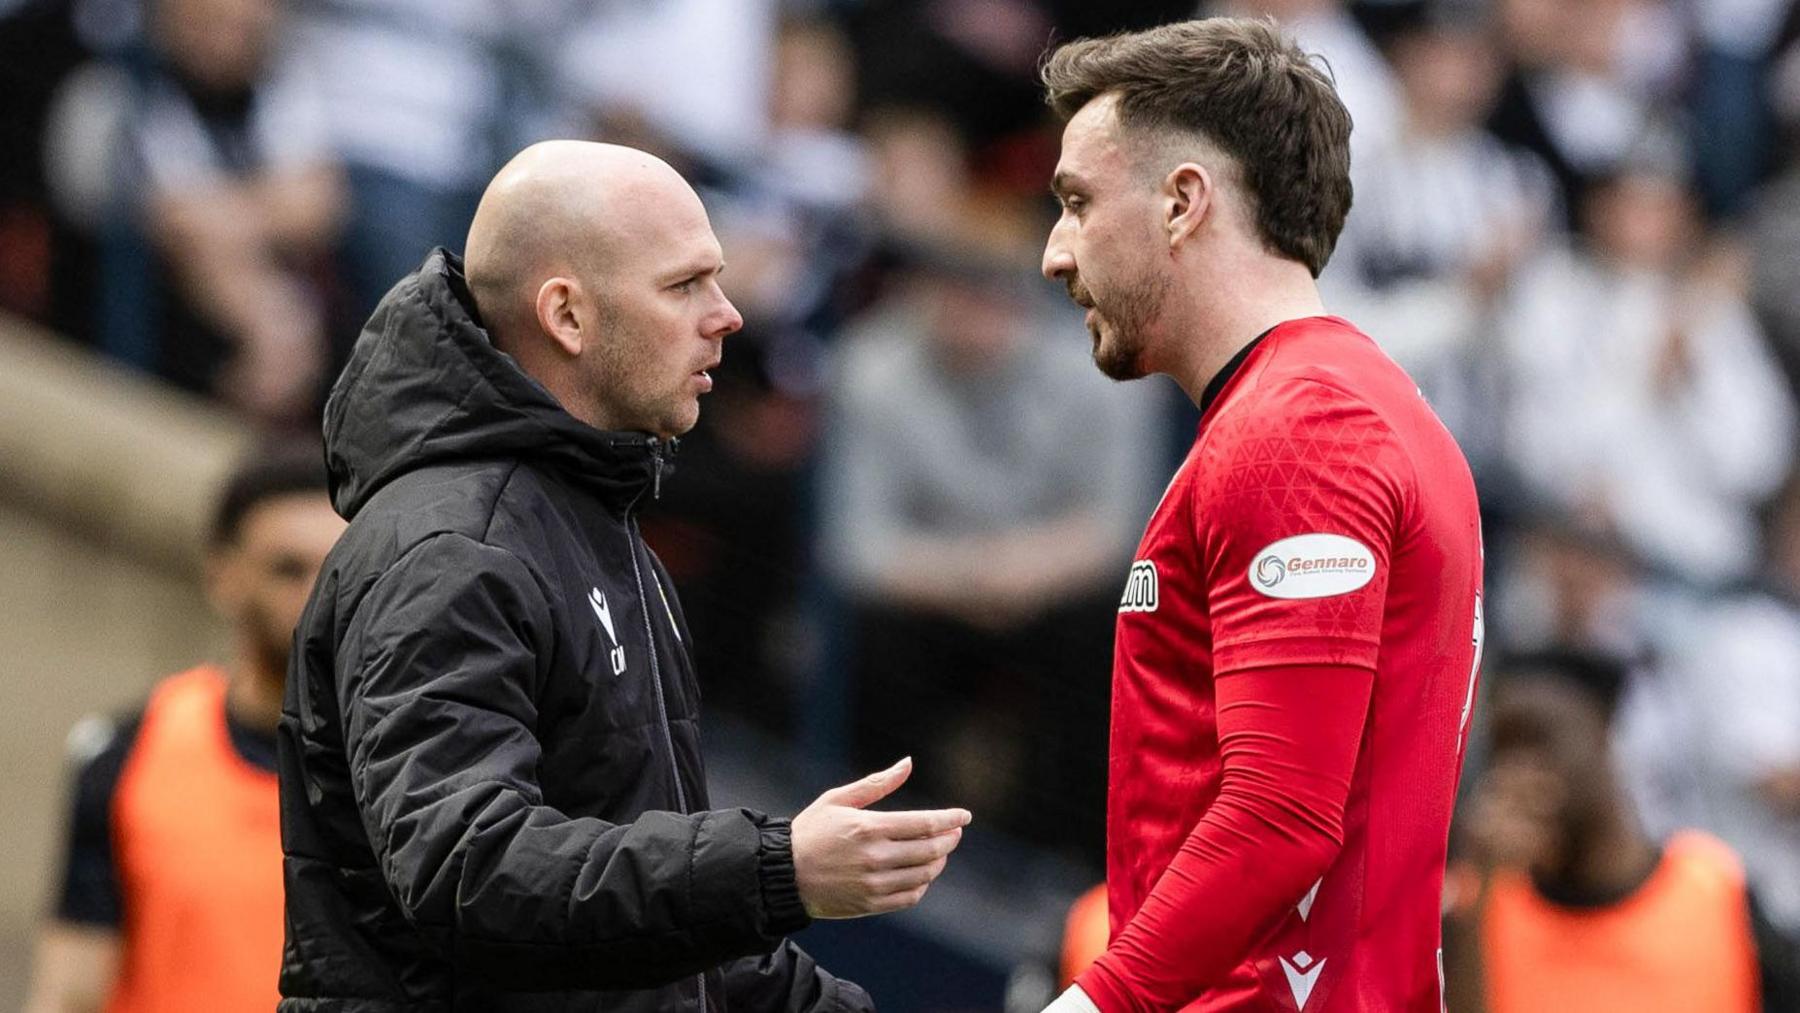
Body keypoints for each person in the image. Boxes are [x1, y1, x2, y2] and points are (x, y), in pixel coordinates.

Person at [277, 140, 970, 1012]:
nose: (729, 316)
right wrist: (773, 868)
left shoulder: (601, 532)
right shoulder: (454, 545)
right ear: (568, 316)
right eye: (684, 286)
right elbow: (468, 867)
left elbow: (664, 944)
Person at [1036, 18, 1484, 1012]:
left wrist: (1096, 1002)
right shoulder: (1350, 407)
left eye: (1076, 203)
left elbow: (1282, 812)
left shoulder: (1298, 430)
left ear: (1183, 201)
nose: (1054, 255)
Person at [24, 448, 344, 1013]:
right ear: (223, 576)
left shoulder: (410, 766)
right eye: (288, 570)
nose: (319, 597)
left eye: (339, 569)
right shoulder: (129, 753)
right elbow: (69, 990)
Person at [1442, 652, 1800, 1013]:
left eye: (1539, 740)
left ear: (1605, 731)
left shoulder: (1716, 888)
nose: (1517, 772)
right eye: (1503, 749)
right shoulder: (1480, 900)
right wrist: (1479, 895)